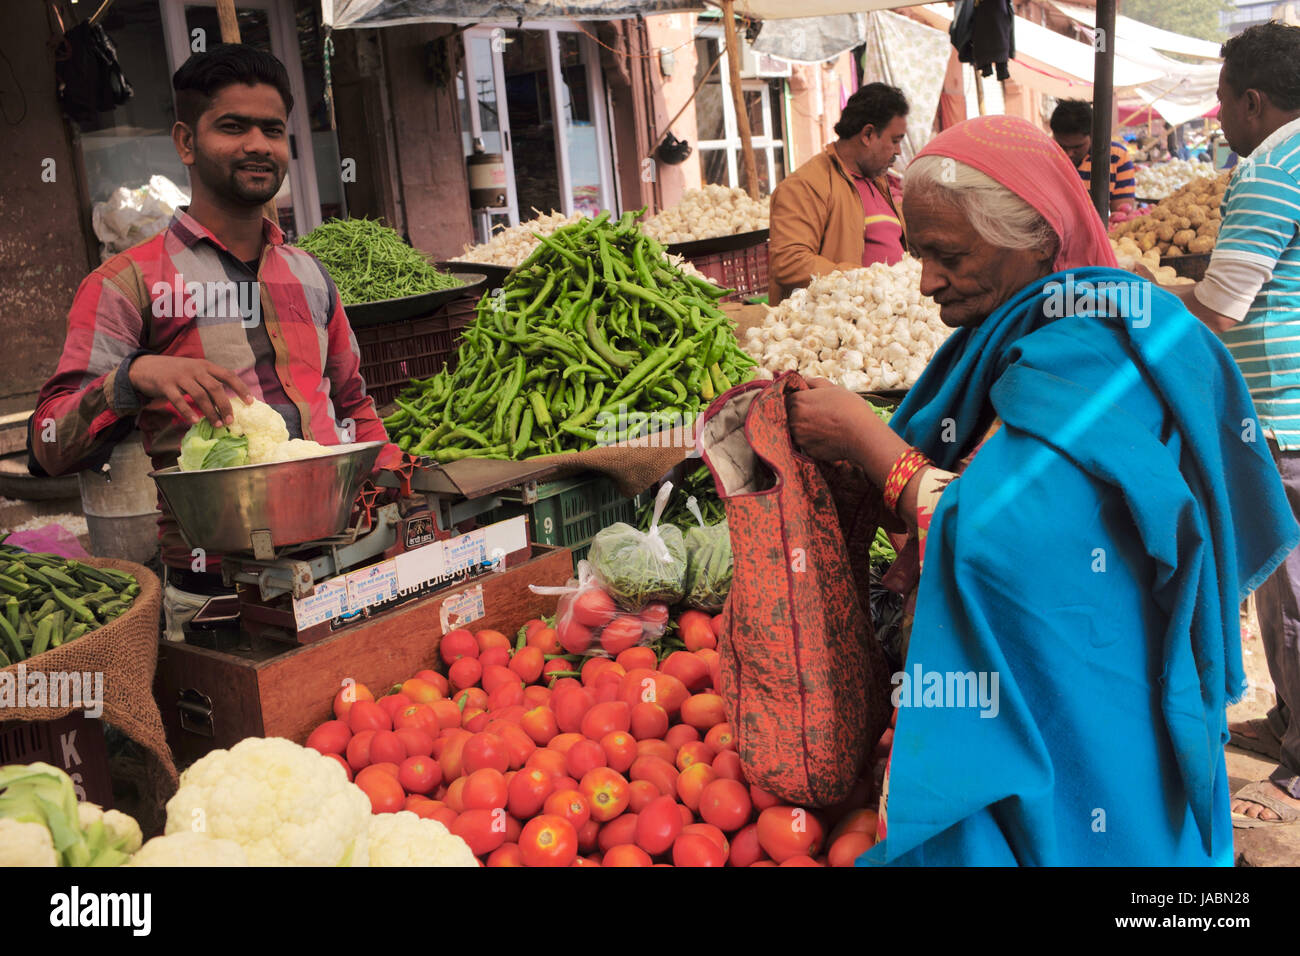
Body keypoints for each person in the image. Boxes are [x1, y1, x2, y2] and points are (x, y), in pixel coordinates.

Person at [785, 115, 1297, 865]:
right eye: (921, 253)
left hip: (1087, 659)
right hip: (1088, 643)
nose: (926, 281)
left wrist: (869, 444)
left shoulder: (1084, 353)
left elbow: (996, 535)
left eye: (948, 255)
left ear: (1035, 241)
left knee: (1093, 817)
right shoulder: (1047, 328)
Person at [28, 44, 388, 636]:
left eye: (272, 129)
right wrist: (133, 376)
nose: (257, 144)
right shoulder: (127, 283)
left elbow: (354, 404)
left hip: (349, 565)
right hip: (217, 594)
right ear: (185, 143)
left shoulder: (310, 273)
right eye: (232, 126)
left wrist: (397, 487)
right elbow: (48, 444)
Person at [1171, 21, 1300, 827]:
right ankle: (1289, 719)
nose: (1218, 119)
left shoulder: (1270, 167)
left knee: (1289, 591)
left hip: (1285, 414)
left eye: (1222, 102)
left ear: (1252, 100)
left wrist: (1141, 314)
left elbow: (1221, 307)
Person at [767, 83, 909, 306]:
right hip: (840, 325)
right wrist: (863, 279)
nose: (899, 151)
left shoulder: (879, 181)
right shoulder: (804, 185)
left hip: (889, 322)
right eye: (895, 140)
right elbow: (789, 263)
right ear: (868, 134)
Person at [1050, 99, 1136, 215]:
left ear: (1093, 136)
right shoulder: (1046, 155)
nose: (1069, 153)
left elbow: (1122, 211)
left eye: (1077, 147)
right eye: (1062, 146)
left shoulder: (1116, 157)